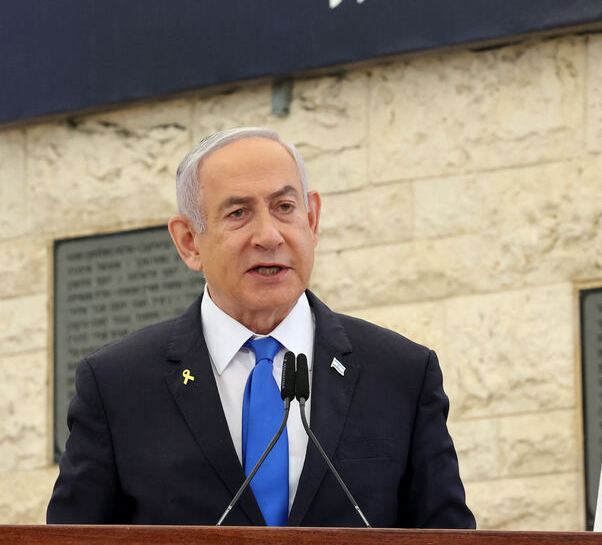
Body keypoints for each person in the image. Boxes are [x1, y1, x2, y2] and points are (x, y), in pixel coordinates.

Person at [47, 127, 476, 528]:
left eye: (285, 208)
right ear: (189, 242)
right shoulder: (117, 384)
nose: (269, 235)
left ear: (313, 219)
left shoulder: (401, 373)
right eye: (238, 213)